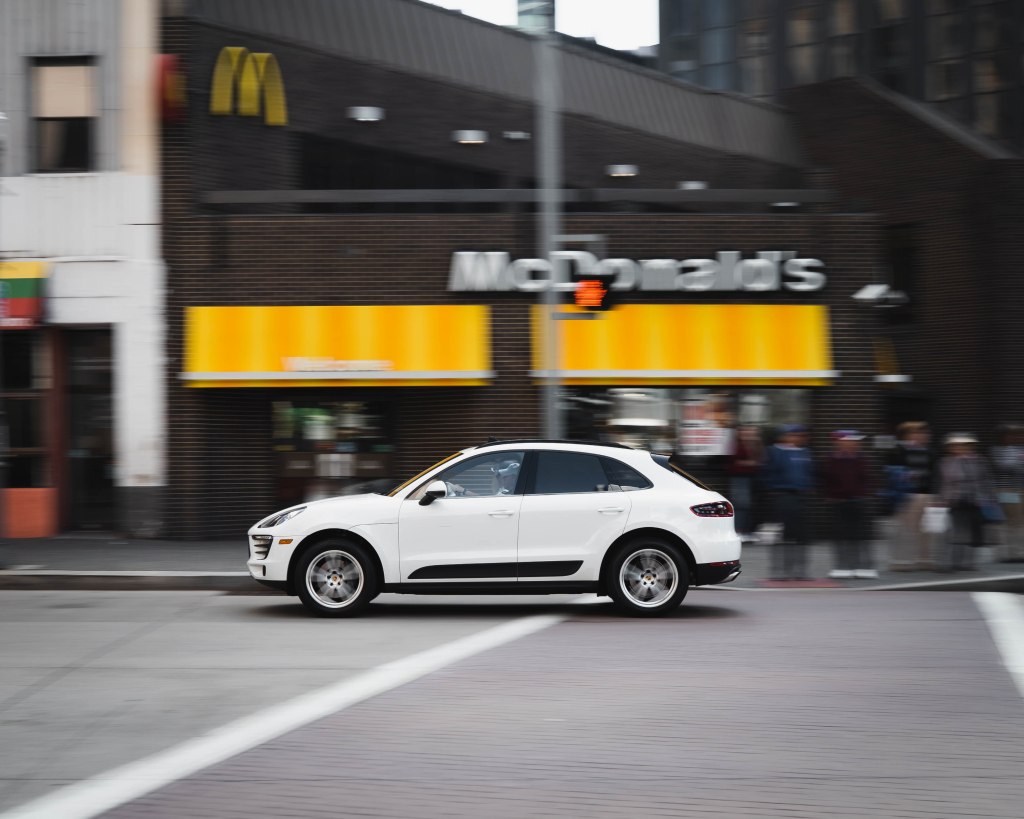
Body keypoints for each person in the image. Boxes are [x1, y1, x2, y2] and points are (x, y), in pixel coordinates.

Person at [938, 432, 998, 571]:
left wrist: (990, 498)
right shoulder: (945, 461)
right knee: (954, 532)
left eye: (964, 445)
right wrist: (941, 499)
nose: (960, 447)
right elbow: (943, 482)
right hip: (954, 501)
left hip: (976, 500)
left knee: (973, 532)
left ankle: (968, 563)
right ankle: (952, 562)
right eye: (956, 445)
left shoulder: (980, 460)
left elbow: (986, 480)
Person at [763, 424, 814, 581]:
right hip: (782, 497)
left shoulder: (805, 452)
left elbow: (810, 473)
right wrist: (773, 490)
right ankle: (779, 571)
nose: (798, 438)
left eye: (800, 435)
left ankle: (800, 571)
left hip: (800, 497)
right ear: (785, 436)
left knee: (800, 537)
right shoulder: (775, 451)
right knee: (781, 536)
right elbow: (768, 473)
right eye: (794, 435)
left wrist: (808, 486)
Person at [823, 430, 876, 579]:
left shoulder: (863, 458)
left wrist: (866, 495)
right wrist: (831, 496)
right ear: (840, 442)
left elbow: (868, 479)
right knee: (840, 535)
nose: (856, 444)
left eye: (857, 441)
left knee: (861, 535)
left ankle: (864, 566)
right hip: (838, 502)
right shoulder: (831, 459)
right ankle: (842, 566)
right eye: (852, 440)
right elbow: (826, 480)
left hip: (860, 500)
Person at [886, 421, 937, 571]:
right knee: (904, 530)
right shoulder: (898, 451)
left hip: (927, 494)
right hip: (906, 495)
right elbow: (890, 473)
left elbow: (935, 475)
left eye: (925, 433)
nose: (923, 436)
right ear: (907, 435)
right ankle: (901, 561)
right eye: (917, 433)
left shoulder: (930, 452)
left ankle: (924, 560)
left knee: (927, 530)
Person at [991, 424, 1024, 562]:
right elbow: (1005, 467)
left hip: (1021, 488)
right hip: (1006, 489)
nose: (1016, 437)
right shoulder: (997, 450)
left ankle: (1017, 552)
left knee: (1019, 522)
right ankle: (1004, 553)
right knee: (1007, 521)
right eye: (1011, 435)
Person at [728, 424, 763, 540]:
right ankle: (738, 530)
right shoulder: (736, 445)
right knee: (741, 504)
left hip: (753, 477)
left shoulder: (755, 444)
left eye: (751, 432)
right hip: (739, 477)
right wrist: (748, 463)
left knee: (750, 505)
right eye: (745, 432)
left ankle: (748, 531)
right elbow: (732, 461)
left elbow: (759, 459)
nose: (748, 434)